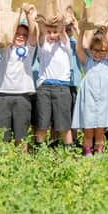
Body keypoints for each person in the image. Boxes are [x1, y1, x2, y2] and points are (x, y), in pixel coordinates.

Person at [72, 26, 108, 156]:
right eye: (95, 50)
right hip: (89, 101)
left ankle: (99, 153)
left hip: (103, 103)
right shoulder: (88, 62)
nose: (98, 53)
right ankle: (87, 154)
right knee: (88, 130)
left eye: (102, 51)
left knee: (100, 131)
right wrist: (82, 30)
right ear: (91, 50)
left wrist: (106, 32)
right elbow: (79, 49)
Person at [0, 6, 38, 148]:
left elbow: (33, 34)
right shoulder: (5, 48)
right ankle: (2, 165)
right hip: (2, 95)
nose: (20, 36)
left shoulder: (28, 50)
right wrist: (17, 15)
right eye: (17, 33)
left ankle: (23, 164)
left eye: (23, 35)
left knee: (22, 135)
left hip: (23, 96)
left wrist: (27, 14)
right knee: (1, 136)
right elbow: (5, 33)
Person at [34, 20, 73, 148]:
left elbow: (62, 31)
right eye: (49, 32)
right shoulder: (43, 45)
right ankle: (39, 152)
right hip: (44, 87)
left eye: (54, 32)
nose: (52, 35)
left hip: (62, 87)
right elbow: (40, 35)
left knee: (64, 126)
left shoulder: (65, 44)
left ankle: (68, 152)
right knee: (42, 124)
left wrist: (60, 20)